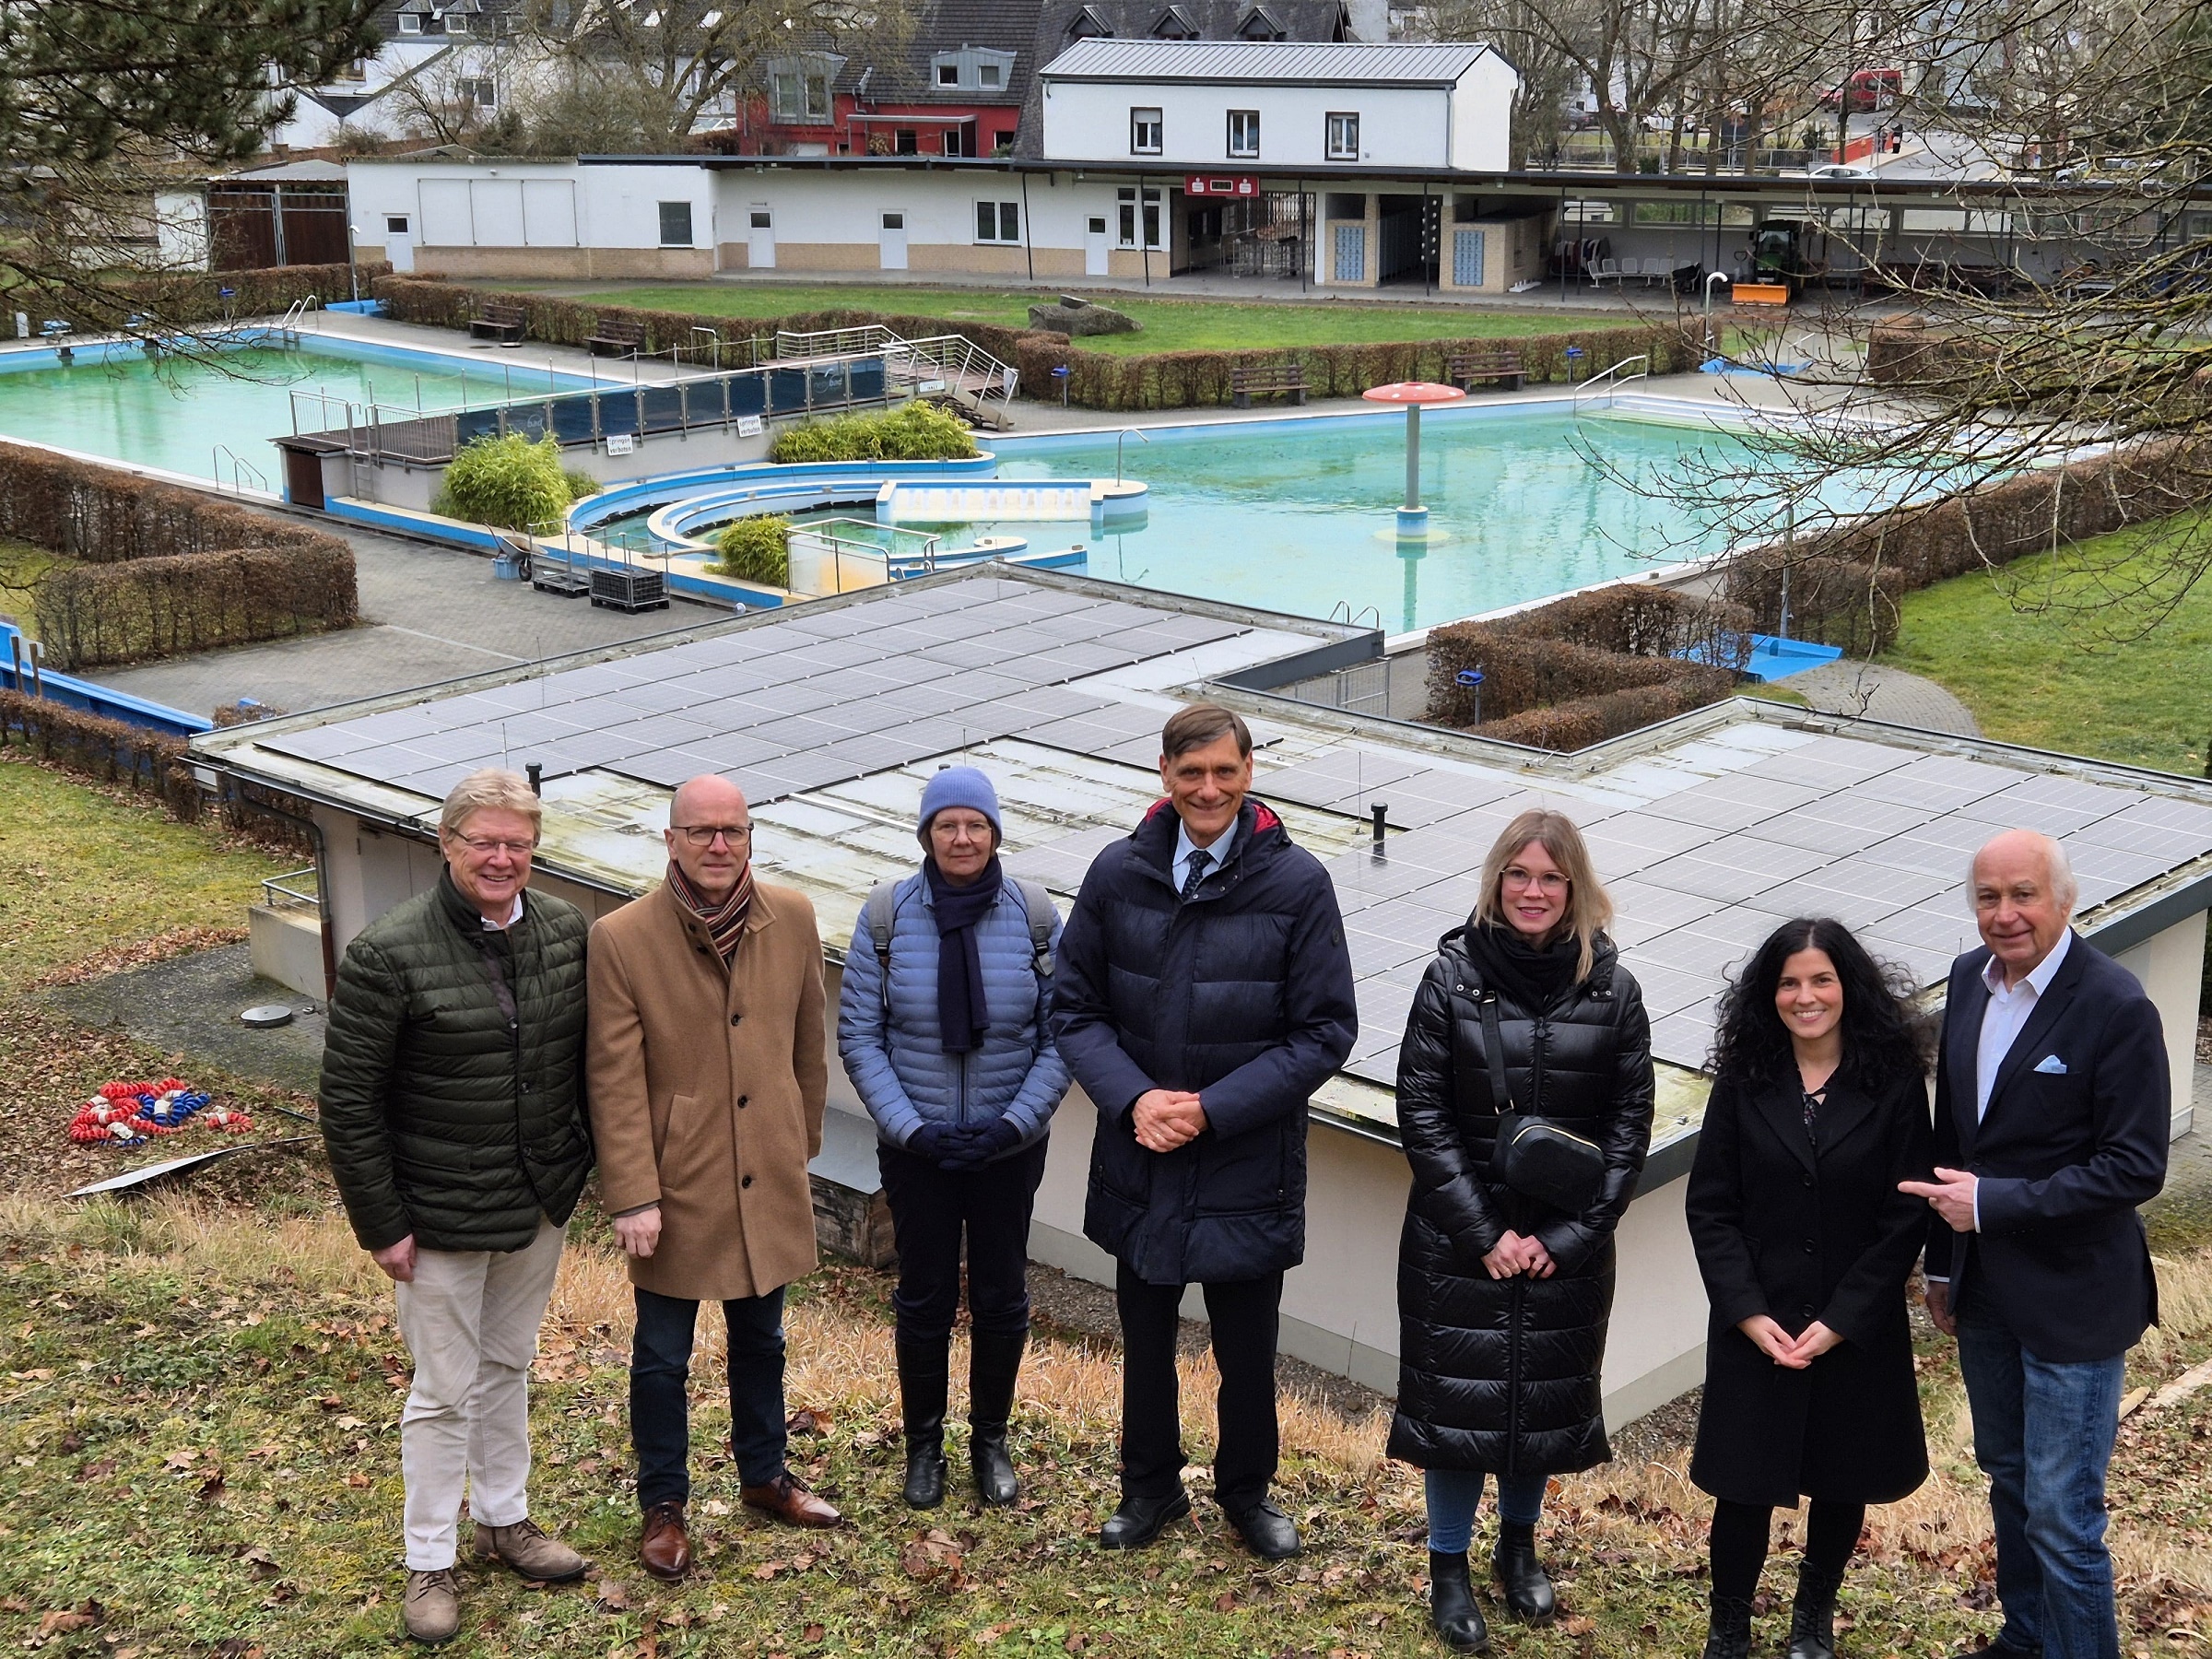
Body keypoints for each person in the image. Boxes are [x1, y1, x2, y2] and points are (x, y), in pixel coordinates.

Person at [1051, 703, 1357, 1560]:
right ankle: (1148, 1490)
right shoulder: (1117, 874)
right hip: (1141, 1154)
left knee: (1247, 1353)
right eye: (1192, 774)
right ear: (1164, 775)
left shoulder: (1299, 885)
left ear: (1250, 771)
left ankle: (1247, 1495)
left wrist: (1212, 1109)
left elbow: (1325, 1031)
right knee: (1143, 1343)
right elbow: (1073, 1009)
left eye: (1224, 771)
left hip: (1245, 1163)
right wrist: (1134, 1100)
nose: (1209, 788)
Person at [319, 768, 594, 1646]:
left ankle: (503, 1519)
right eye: (485, 842)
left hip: (536, 1203)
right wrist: (382, 1224)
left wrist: (576, 1172)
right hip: (433, 1216)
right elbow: (349, 1101)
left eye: (518, 843)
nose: (503, 858)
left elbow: (587, 1065)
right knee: (442, 1393)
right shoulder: (387, 952)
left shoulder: (563, 932)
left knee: (508, 1366)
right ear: (447, 845)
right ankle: (428, 1560)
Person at [1389, 808, 1654, 1652]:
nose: (1533, 891)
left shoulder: (1615, 991)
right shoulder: (1451, 979)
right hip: (1456, 1244)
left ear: (1575, 888)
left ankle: (1520, 1549)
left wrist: (1566, 1240)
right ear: (1495, 882)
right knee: (1457, 1411)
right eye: (1518, 875)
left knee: (1537, 1406)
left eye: (1550, 877)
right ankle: (1448, 1567)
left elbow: (1630, 1128)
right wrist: (1482, 1234)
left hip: (1562, 1246)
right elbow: (1422, 1113)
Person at [1906, 830, 2170, 1659]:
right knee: (2012, 1483)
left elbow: (2135, 1167)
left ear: (2065, 899)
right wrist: (1944, 1264)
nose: (2005, 914)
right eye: (1989, 897)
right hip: (1984, 1295)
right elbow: (1956, 1136)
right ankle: (2025, 1639)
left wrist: (1992, 1205)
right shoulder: (1968, 985)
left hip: (2075, 1304)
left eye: (2023, 895)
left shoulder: (2117, 1006)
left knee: (2063, 1515)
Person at [586, 774, 838, 1583]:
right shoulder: (622, 938)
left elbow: (809, 1041)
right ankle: (664, 1505)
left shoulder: (792, 916)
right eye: (701, 832)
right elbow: (614, 1080)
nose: (719, 845)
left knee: (762, 1337)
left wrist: (798, 1142)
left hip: (766, 1167)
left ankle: (765, 1476)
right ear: (671, 841)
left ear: (751, 836)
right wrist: (631, 1192)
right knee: (663, 1356)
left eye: (732, 830)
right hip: (677, 1178)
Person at [1688, 919, 1936, 1659]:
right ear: (1770, 996)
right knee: (1743, 1485)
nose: (1805, 996)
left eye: (1820, 980)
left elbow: (1904, 1215)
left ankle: (1812, 1620)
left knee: (1841, 1476)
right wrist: (1746, 1311)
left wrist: (1841, 1320)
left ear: (1848, 988)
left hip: (1851, 1325)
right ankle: (1728, 1627)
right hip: (1757, 1324)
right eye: (1789, 982)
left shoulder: (1891, 1086)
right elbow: (1712, 1206)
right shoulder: (1743, 1082)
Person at [837, 766, 1072, 1510]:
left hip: (1008, 1148)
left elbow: (1062, 1033)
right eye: (947, 825)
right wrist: (911, 1128)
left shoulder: (1035, 917)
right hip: (918, 1153)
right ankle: (925, 1446)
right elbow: (859, 1036)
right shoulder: (885, 916)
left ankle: (990, 1441)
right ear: (926, 835)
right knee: (924, 1295)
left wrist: (1014, 1122)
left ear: (995, 832)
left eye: (975, 824)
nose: (962, 838)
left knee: (1003, 1294)